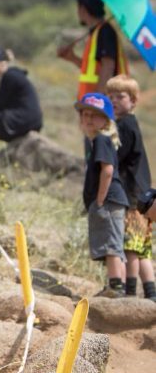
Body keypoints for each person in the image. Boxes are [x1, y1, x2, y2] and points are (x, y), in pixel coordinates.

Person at [106, 75, 156, 300]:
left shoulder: (124, 125)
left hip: (132, 196)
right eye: (110, 96)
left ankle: (130, 293)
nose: (114, 100)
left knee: (131, 247)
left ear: (134, 101)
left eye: (120, 96)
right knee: (142, 247)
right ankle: (151, 292)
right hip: (143, 194)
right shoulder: (131, 123)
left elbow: (116, 157)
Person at [74, 92, 128, 298]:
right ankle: (117, 284)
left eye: (95, 115)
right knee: (112, 243)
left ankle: (116, 287)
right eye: (85, 114)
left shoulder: (101, 140)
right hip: (112, 200)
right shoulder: (98, 141)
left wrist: (99, 199)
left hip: (109, 201)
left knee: (111, 245)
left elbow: (107, 171)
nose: (88, 119)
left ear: (105, 121)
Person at [57, 0, 128, 99]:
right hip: (92, 102)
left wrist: (98, 99)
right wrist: (72, 58)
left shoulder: (105, 31)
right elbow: (94, 71)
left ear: (83, 9)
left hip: (104, 102)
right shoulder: (96, 32)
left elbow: (108, 67)